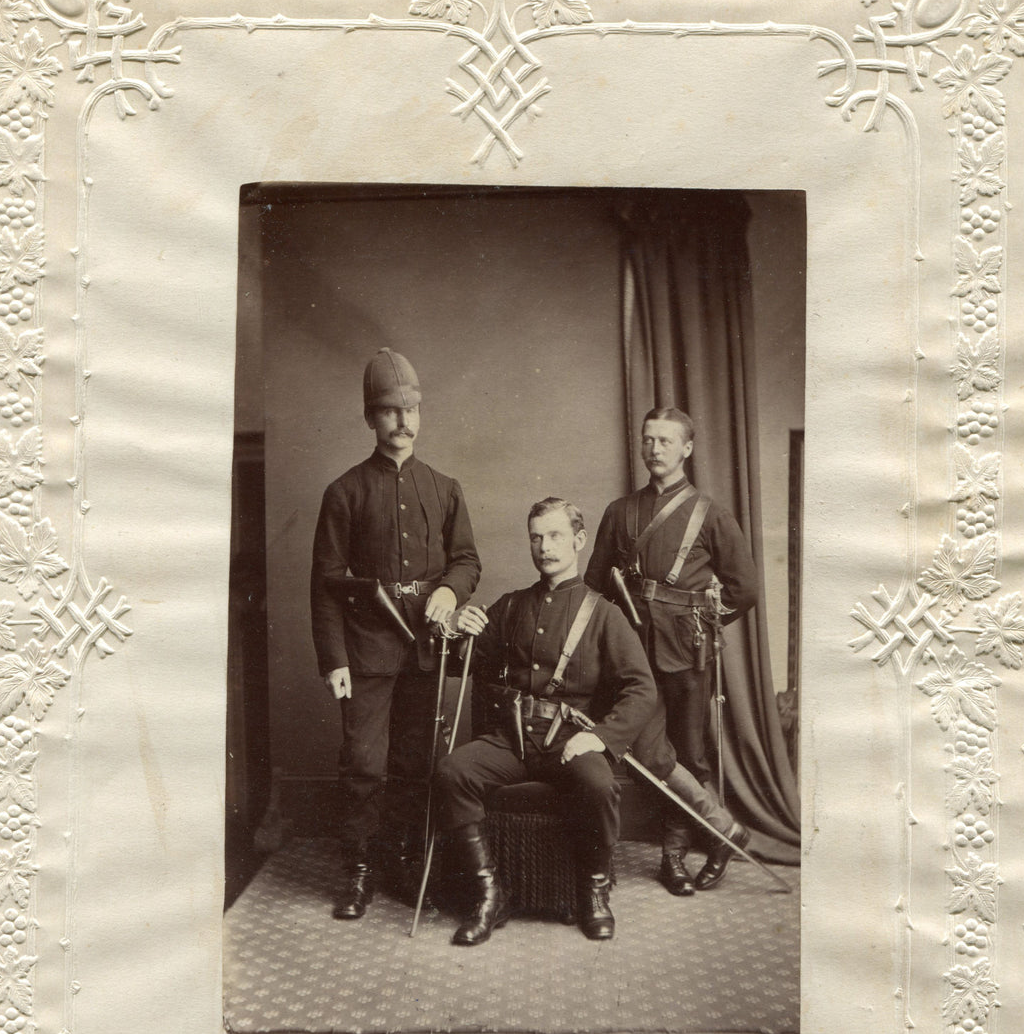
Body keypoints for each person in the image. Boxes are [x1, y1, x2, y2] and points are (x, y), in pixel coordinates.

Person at [434, 497, 657, 946]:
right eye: (536, 537)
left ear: (578, 540)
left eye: (555, 536)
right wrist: (459, 626)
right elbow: (464, 664)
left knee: (599, 786)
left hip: (570, 741)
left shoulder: (604, 614)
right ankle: (489, 893)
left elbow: (642, 689)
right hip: (511, 740)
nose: (544, 546)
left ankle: (594, 891)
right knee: (452, 771)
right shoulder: (512, 606)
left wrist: (599, 738)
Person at [310, 348, 481, 920]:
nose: (402, 423)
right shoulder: (345, 492)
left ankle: (402, 860)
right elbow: (327, 584)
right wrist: (334, 659)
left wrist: (450, 592)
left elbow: (467, 560)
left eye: (411, 411)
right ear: (370, 418)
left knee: (415, 763)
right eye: (388, 412)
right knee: (364, 763)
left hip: (426, 651)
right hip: (365, 654)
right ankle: (359, 871)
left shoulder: (444, 487)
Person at [585, 406, 757, 894]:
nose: (654, 449)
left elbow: (744, 590)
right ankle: (719, 832)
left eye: (665, 441)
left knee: (690, 753)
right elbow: (595, 583)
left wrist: (703, 622)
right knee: (647, 749)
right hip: (631, 651)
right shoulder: (621, 512)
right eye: (648, 440)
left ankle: (675, 853)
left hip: (687, 652)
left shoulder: (710, 513)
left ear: (687, 448)